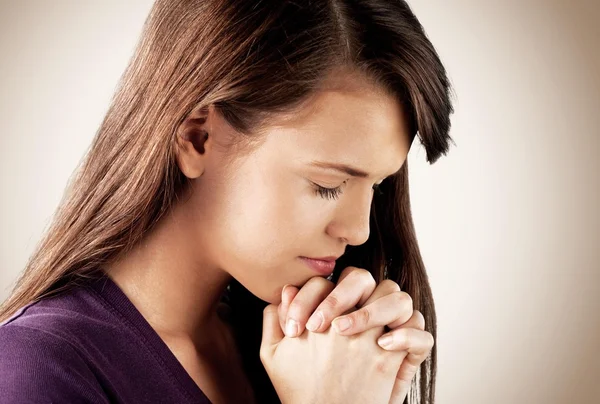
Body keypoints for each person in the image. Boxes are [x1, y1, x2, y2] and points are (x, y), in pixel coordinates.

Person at [0, 0, 454, 403]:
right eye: (326, 184)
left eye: (376, 187)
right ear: (197, 137)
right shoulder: (37, 373)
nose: (359, 230)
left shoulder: (312, 356)